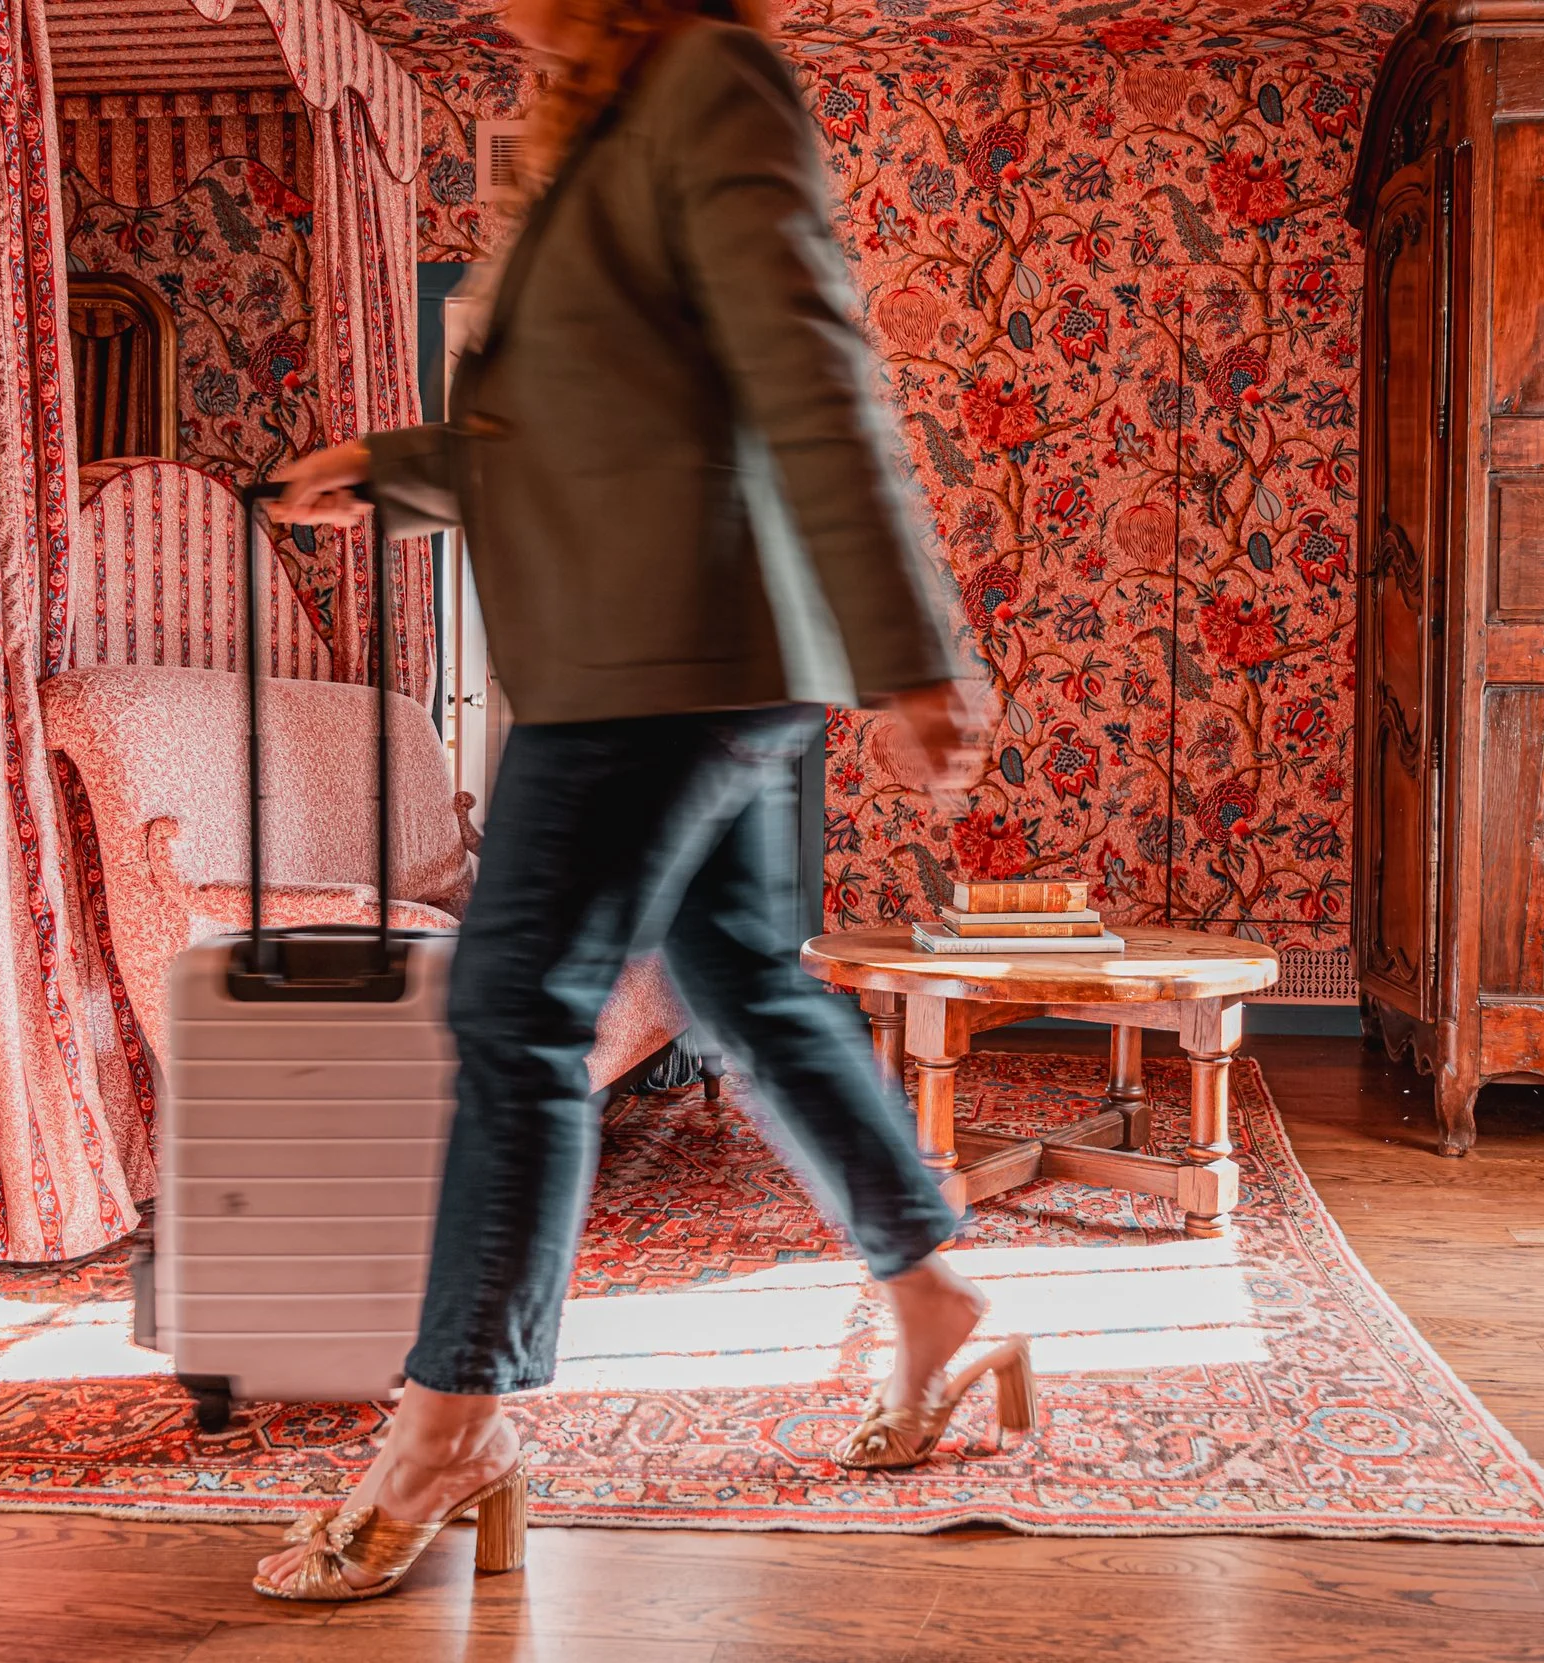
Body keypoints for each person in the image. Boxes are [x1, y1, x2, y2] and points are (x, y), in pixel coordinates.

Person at [251, 0, 1016, 1602]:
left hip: (658, 661)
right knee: (747, 987)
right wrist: (389, 466)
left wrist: (915, 651)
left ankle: (453, 1414)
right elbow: (587, 434)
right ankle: (935, 1293)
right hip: (682, 649)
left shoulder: (704, 80)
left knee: (518, 1011)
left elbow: (808, 362)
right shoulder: (598, 120)